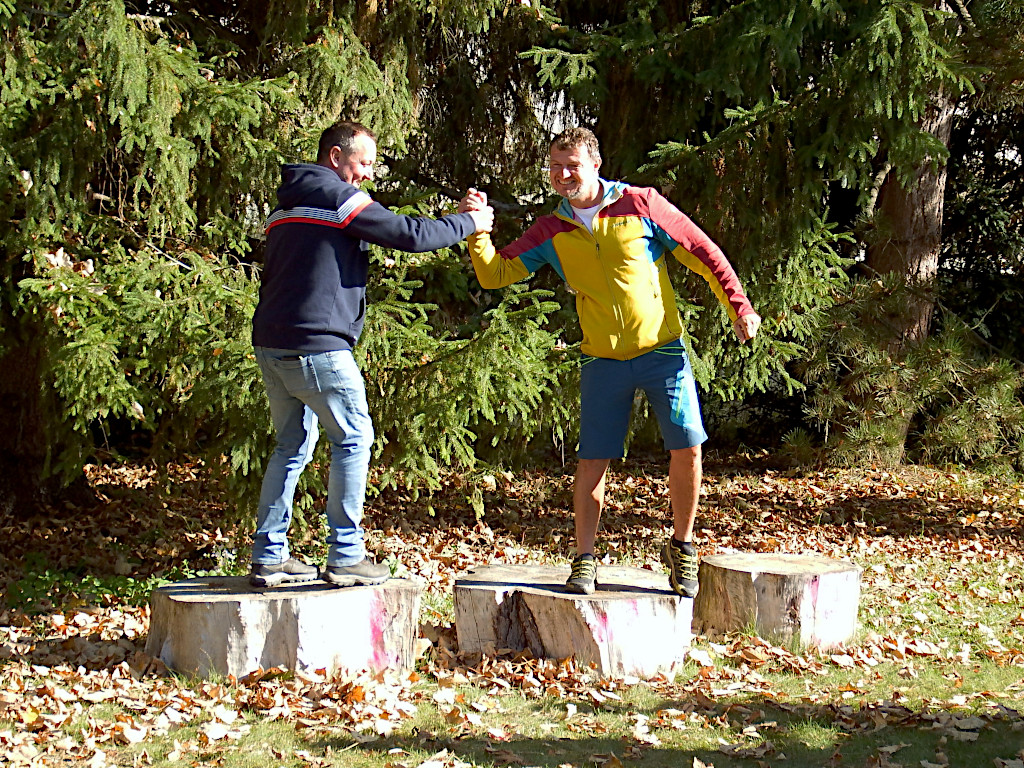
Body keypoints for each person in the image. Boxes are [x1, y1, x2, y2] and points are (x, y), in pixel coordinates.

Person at [460, 127, 759, 598]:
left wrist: (739, 306)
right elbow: (495, 274)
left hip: (662, 350)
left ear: (595, 165)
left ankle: (682, 547)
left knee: (688, 446)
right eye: (555, 166)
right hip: (602, 358)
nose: (562, 175)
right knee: (593, 459)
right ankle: (584, 560)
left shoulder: (641, 204)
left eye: (572, 166)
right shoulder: (552, 230)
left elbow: (702, 251)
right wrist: (477, 230)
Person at [249, 120, 494, 588]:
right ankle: (345, 556)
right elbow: (409, 235)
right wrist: (470, 223)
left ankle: (269, 556)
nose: (366, 174)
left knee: (291, 446)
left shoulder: (290, 201)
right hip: (316, 345)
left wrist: (457, 216)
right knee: (354, 439)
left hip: (272, 342)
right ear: (336, 156)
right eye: (362, 163)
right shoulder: (335, 196)